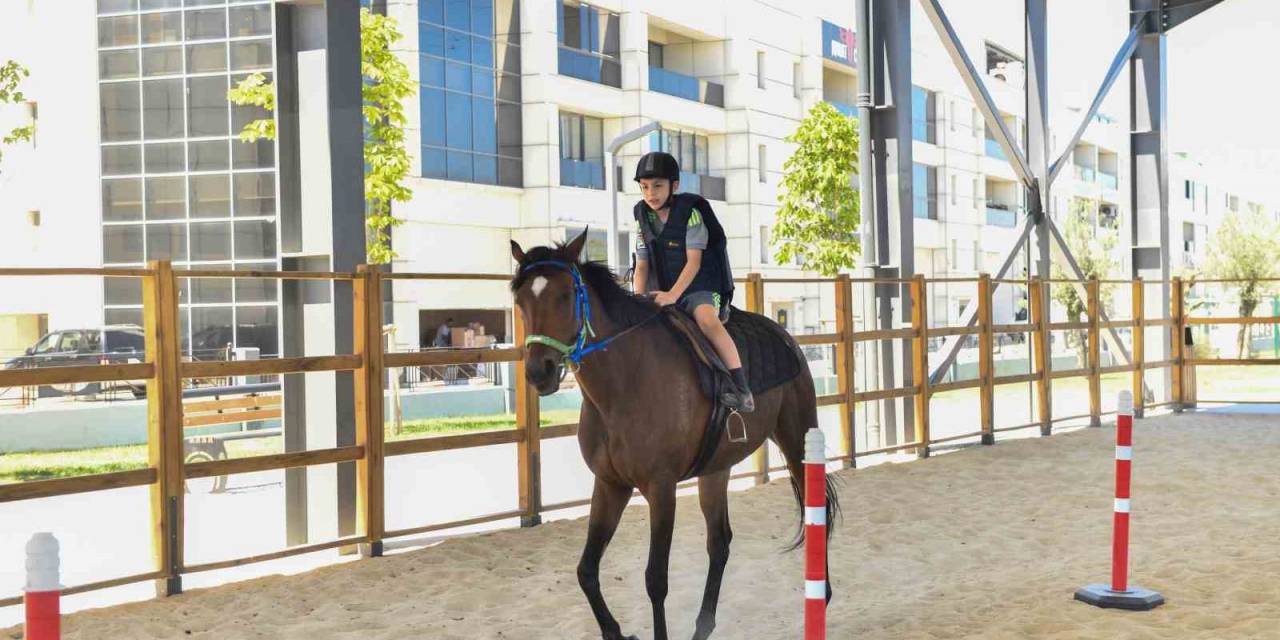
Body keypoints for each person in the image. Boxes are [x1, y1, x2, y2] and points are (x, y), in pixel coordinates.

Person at [631, 151, 754, 412]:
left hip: (699, 286)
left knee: (707, 321)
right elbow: (642, 265)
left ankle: (742, 389)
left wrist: (673, 296)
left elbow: (694, 263)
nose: (650, 193)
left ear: (674, 186)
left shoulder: (691, 214)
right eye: (644, 187)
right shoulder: (641, 219)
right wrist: (637, 301)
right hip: (663, 288)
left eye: (658, 186)